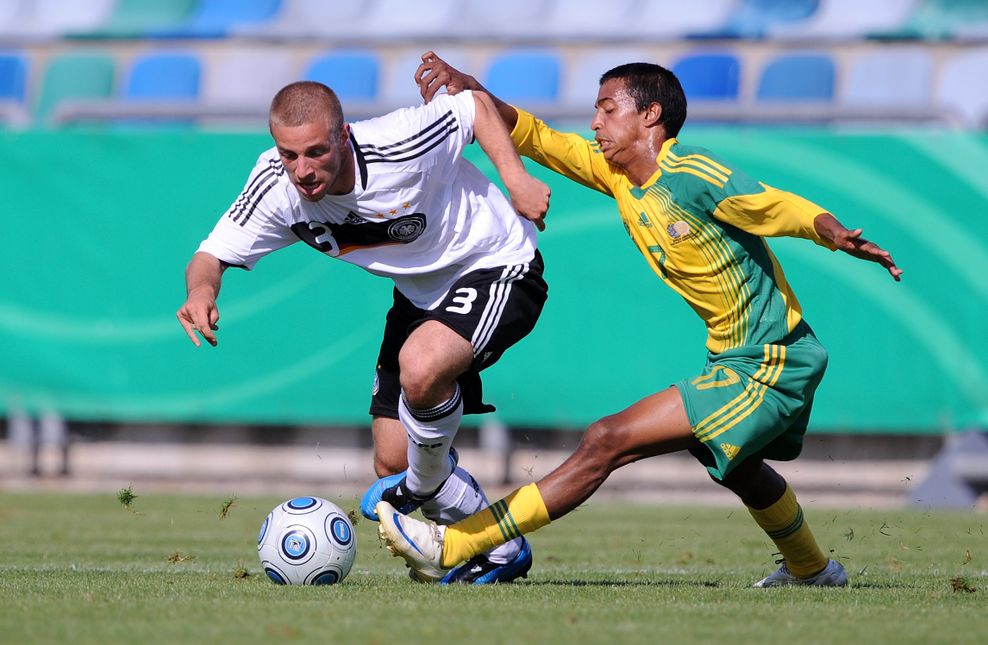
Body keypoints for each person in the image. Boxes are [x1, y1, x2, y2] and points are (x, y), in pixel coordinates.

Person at [376, 51, 903, 587]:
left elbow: (772, 204)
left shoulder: (689, 170)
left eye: (607, 109)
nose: (595, 123)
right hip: (734, 357)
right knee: (738, 468)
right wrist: (471, 92)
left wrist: (831, 231)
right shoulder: (621, 175)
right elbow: (535, 136)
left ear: (650, 115)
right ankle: (813, 570)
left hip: (773, 361)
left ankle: (455, 543)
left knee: (607, 438)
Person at [176, 79, 552, 584]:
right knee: (392, 462)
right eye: (289, 154)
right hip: (419, 295)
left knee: (419, 370)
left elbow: (475, 106)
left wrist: (516, 178)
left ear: (343, 136)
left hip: (497, 264)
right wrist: (202, 292)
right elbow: (211, 254)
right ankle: (501, 549)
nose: (303, 170)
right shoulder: (275, 186)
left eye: (316, 151)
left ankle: (424, 483)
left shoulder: (398, 143)